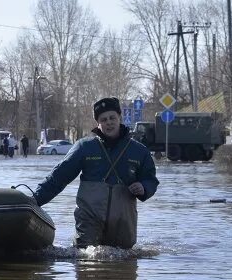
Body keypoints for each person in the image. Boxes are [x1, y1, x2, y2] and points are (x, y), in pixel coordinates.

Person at [31, 97, 159, 249]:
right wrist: (34, 200)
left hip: (123, 223)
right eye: (103, 119)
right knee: (85, 259)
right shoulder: (84, 147)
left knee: (124, 263)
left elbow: (150, 179)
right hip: (89, 220)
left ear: (120, 117)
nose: (109, 122)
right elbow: (59, 177)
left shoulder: (139, 151)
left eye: (112, 117)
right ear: (98, 123)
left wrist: (143, 187)